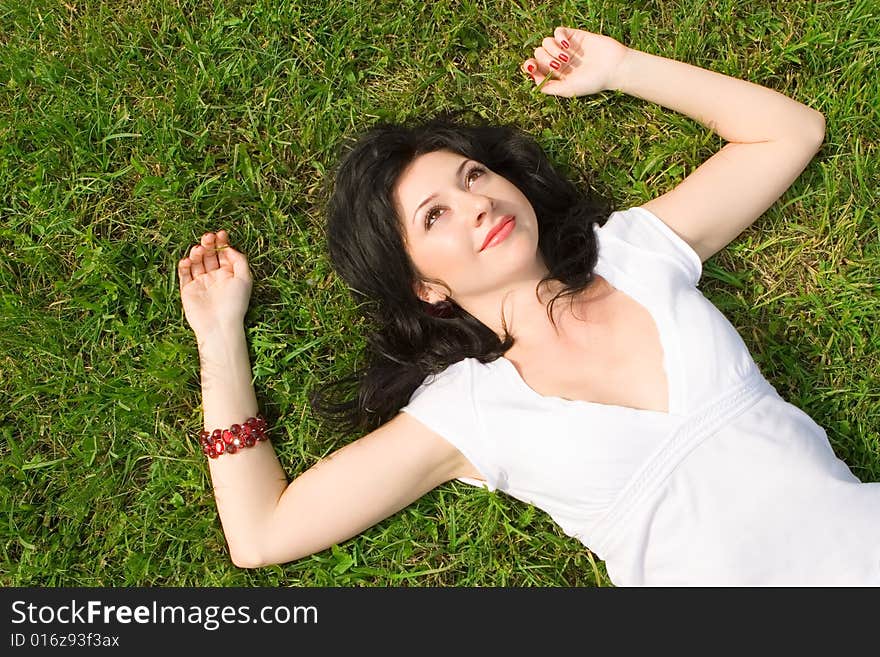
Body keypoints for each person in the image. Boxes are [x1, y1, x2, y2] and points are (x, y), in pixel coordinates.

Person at [177, 27, 880, 585]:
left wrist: (621, 68)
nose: (477, 203)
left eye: (474, 175)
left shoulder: (634, 252)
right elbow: (261, 531)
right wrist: (218, 336)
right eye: (435, 216)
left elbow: (790, 132)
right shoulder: (469, 411)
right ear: (425, 287)